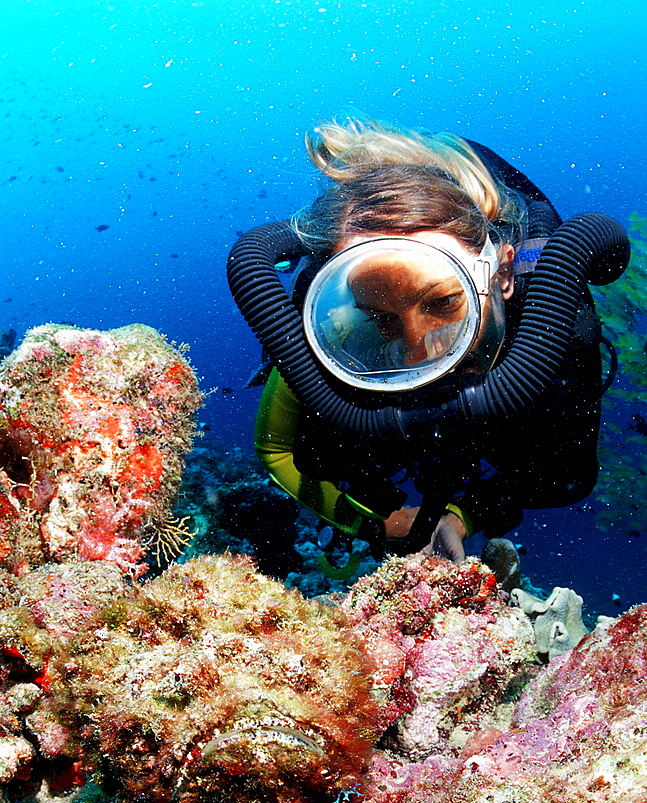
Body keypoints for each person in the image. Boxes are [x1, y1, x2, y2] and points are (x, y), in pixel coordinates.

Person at [227, 117, 629, 568]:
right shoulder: (334, 335)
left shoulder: (550, 323)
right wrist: (376, 522)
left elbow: (564, 478)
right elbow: (278, 449)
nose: (418, 349)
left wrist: (459, 519)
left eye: (442, 301)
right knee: (330, 456)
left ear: (500, 273)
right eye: (379, 316)